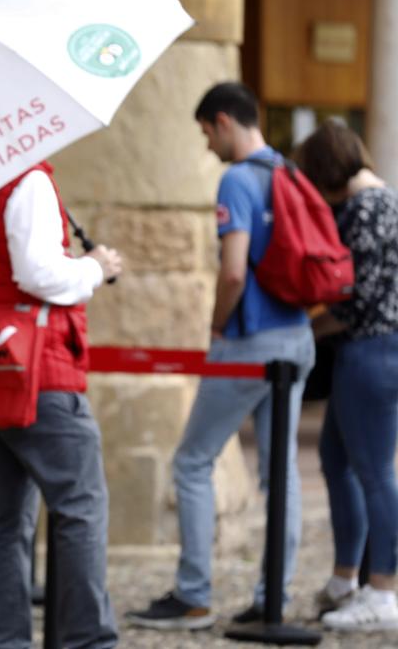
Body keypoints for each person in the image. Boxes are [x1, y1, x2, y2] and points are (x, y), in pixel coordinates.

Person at [128, 82, 315, 630]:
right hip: (296, 336)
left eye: (207, 131)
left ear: (225, 122)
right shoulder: (289, 171)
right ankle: (271, 596)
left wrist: (216, 327)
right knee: (281, 473)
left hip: (249, 343)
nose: (208, 143)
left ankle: (193, 594)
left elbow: (233, 270)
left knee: (191, 462)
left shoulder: (236, 180)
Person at [0, 161, 122, 648]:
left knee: (2, 520)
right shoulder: (29, 179)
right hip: (40, 369)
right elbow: (37, 272)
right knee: (80, 509)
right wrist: (94, 267)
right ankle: (87, 641)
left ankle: (7, 643)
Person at [295, 121, 398, 631]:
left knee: (375, 472)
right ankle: (346, 577)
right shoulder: (387, 201)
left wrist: (305, 330)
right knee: (338, 461)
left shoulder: (364, 210)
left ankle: (382, 591)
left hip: (370, 349)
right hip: (375, 349)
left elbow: (355, 302)